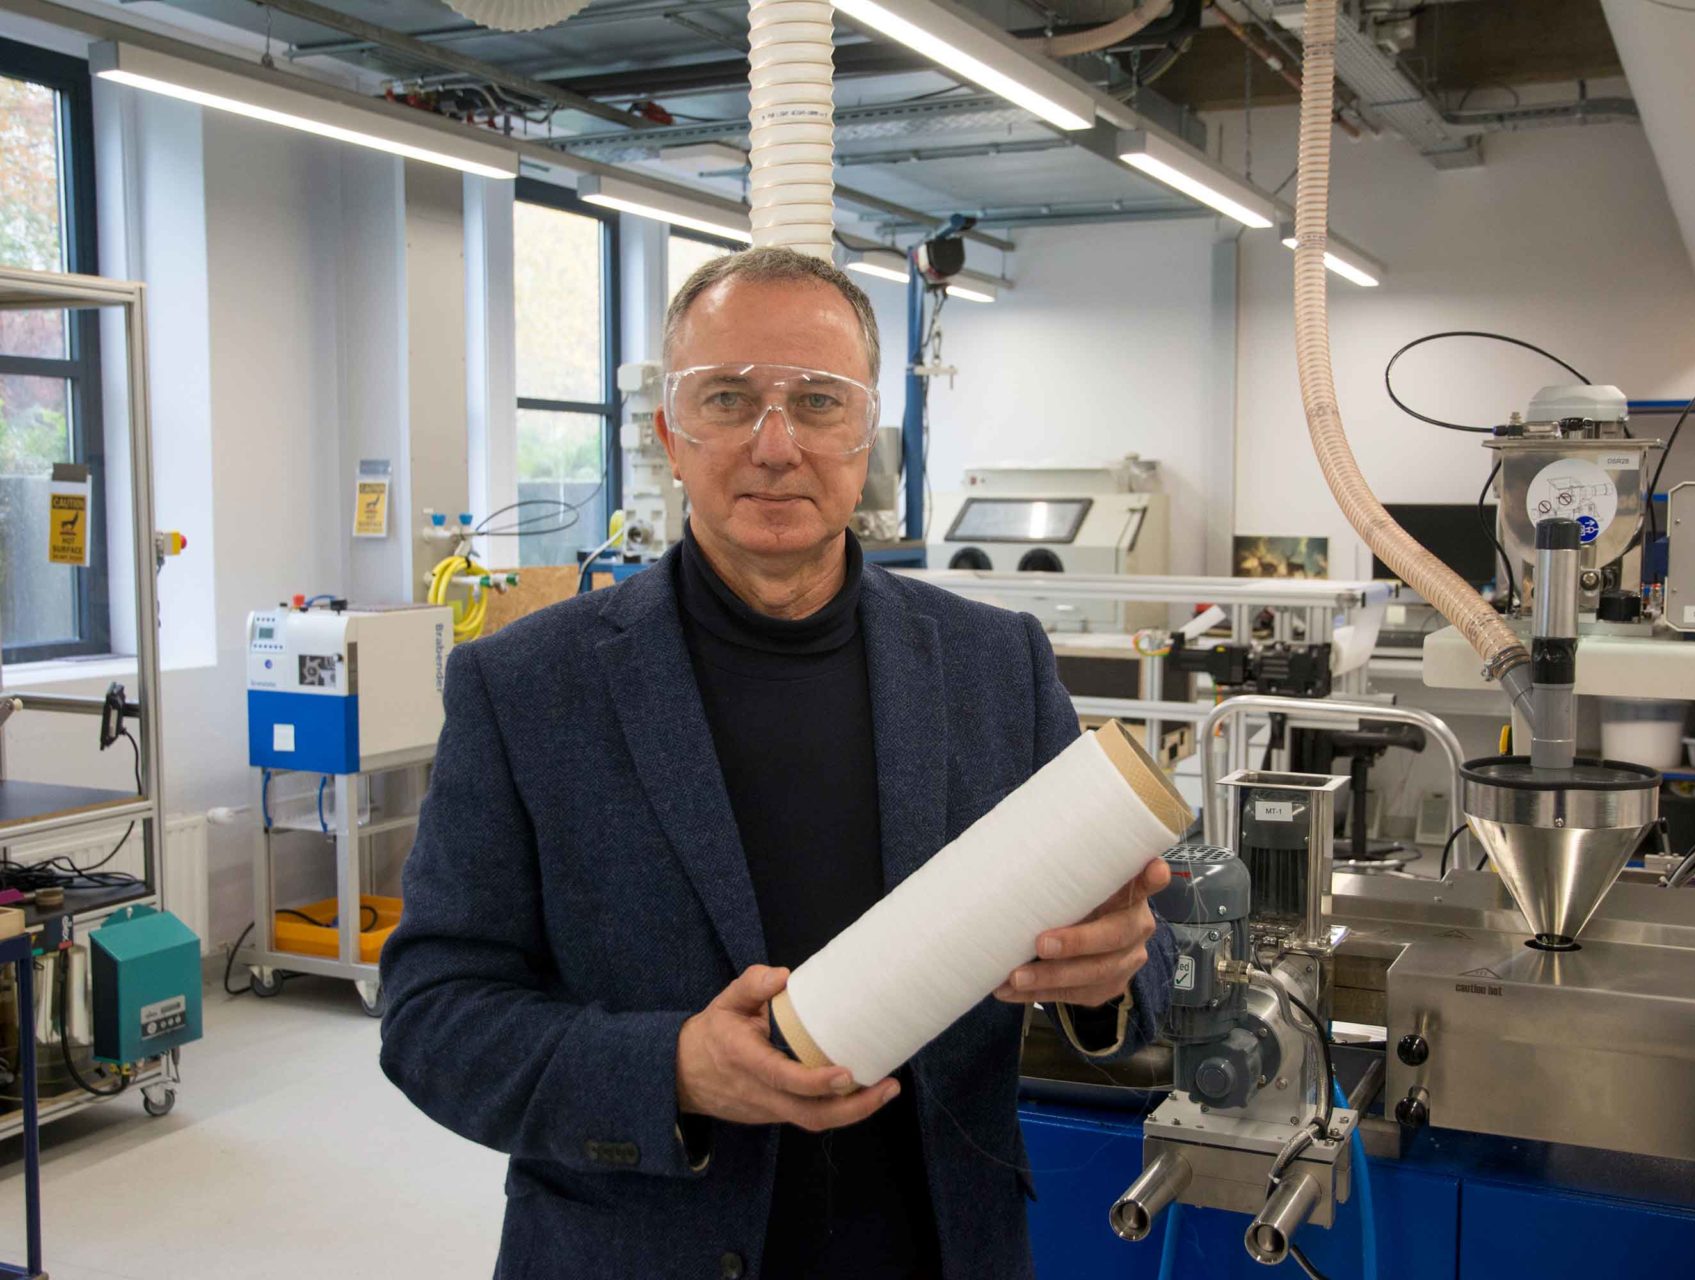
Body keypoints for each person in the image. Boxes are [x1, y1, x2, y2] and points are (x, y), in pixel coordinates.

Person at [379, 246, 1177, 1280]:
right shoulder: (527, 688)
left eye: (816, 399)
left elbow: (1139, 928)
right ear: (671, 431)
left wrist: (1108, 977)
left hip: (937, 1246)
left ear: (866, 437)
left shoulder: (993, 665)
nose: (774, 443)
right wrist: (671, 1069)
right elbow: (434, 1015)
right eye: (727, 397)